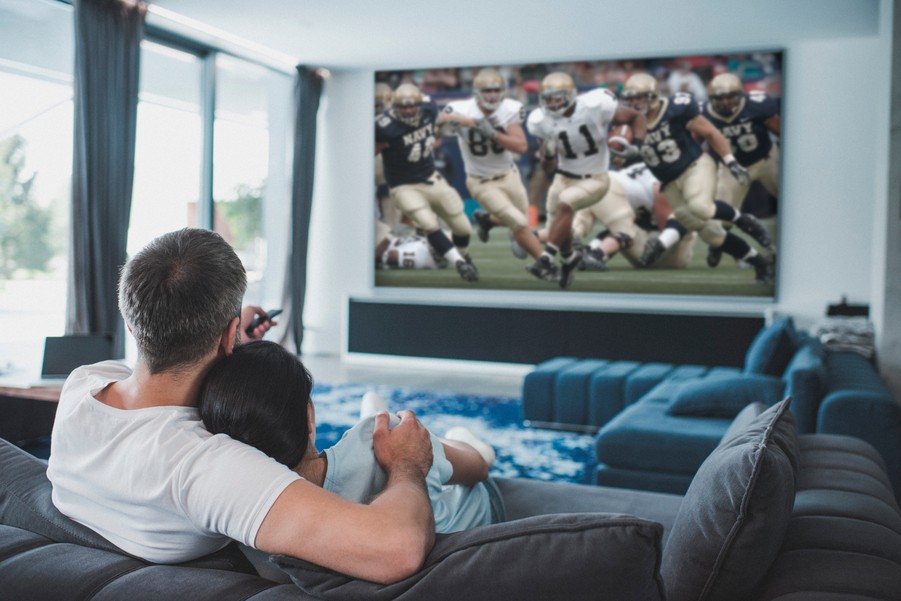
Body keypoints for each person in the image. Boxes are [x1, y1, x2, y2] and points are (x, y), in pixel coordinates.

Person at [47, 227, 437, 585]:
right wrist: (406, 464)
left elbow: (161, 371)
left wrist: (231, 341)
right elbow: (396, 549)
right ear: (230, 334)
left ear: (132, 324)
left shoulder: (83, 384)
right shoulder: (205, 467)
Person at [198, 340, 503, 538]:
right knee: (470, 449)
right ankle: (392, 422)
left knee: (378, 427)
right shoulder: (392, 455)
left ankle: (376, 418)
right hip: (479, 506)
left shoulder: (248, 523)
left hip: (373, 449)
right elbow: (477, 469)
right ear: (309, 418)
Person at [619, 72, 775, 285]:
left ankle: (744, 220)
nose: (635, 104)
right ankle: (760, 262)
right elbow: (618, 146)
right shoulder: (626, 120)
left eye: (640, 98)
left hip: (694, 167)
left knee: (701, 206)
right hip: (669, 183)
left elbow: (711, 132)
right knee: (711, 233)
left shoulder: (675, 108)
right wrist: (621, 151)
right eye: (631, 99)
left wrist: (730, 161)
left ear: (653, 95)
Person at [525, 71, 647, 288]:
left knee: (566, 203)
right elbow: (548, 167)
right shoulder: (541, 121)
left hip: (596, 178)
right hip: (564, 177)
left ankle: (545, 259)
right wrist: (550, 154)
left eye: (557, 97)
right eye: (548, 98)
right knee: (558, 229)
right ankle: (569, 258)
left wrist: (636, 145)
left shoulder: (594, 106)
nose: (552, 103)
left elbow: (636, 117)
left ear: (570, 95)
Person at [441, 68, 549, 275]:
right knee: (518, 223)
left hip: (509, 174)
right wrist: (468, 122)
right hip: (480, 180)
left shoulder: (510, 108)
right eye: (487, 90)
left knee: (521, 220)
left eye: (496, 90)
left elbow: (521, 146)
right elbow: (438, 118)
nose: (491, 95)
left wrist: (492, 133)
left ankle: (487, 220)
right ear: (477, 92)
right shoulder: (461, 108)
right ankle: (546, 264)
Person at [375, 82, 480, 282]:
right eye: (403, 107)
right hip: (404, 186)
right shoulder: (385, 128)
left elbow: (444, 118)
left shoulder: (429, 110)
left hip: (430, 177)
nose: (408, 110)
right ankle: (459, 263)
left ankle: (464, 255)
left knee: (462, 227)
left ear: (419, 105)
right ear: (395, 106)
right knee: (429, 224)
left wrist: (470, 121)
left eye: (412, 106)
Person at [700, 72, 780, 267]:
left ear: (740, 95)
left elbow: (780, 130)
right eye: (720, 98)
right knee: (721, 215)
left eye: (730, 96)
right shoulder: (703, 114)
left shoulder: (757, 104)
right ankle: (719, 245)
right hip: (731, 167)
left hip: (766, 159)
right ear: (712, 99)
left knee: (792, 202)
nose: (726, 102)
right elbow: (695, 144)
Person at [576, 162, 696, 270]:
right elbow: (663, 221)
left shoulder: (649, 166)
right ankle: (596, 255)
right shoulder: (669, 177)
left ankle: (584, 251)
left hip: (596, 181)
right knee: (626, 230)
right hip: (611, 189)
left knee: (582, 226)